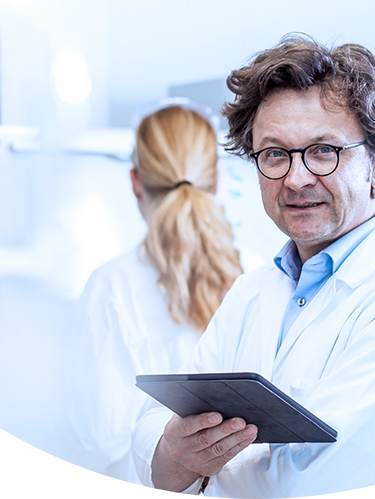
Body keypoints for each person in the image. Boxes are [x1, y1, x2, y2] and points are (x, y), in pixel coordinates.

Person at [130, 35, 375, 497]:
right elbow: (158, 434)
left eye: (324, 151)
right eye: (274, 154)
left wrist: (198, 467)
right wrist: (172, 454)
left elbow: (311, 484)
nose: (295, 178)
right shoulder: (252, 291)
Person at [67, 104, 245, 483]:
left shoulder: (110, 288)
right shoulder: (256, 275)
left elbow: (96, 442)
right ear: (215, 183)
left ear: (135, 181)